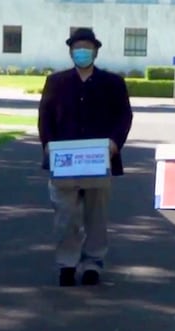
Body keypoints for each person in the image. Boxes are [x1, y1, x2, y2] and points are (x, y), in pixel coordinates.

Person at [37, 27, 134, 287]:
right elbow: (44, 117)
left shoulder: (112, 83)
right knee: (65, 216)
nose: (82, 52)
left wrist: (115, 143)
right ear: (70, 51)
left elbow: (124, 116)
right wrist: (47, 145)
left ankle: (93, 263)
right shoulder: (56, 82)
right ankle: (67, 263)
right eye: (77, 48)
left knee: (96, 216)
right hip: (64, 161)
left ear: (95, 51)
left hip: (99, 160)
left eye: (87, 48)